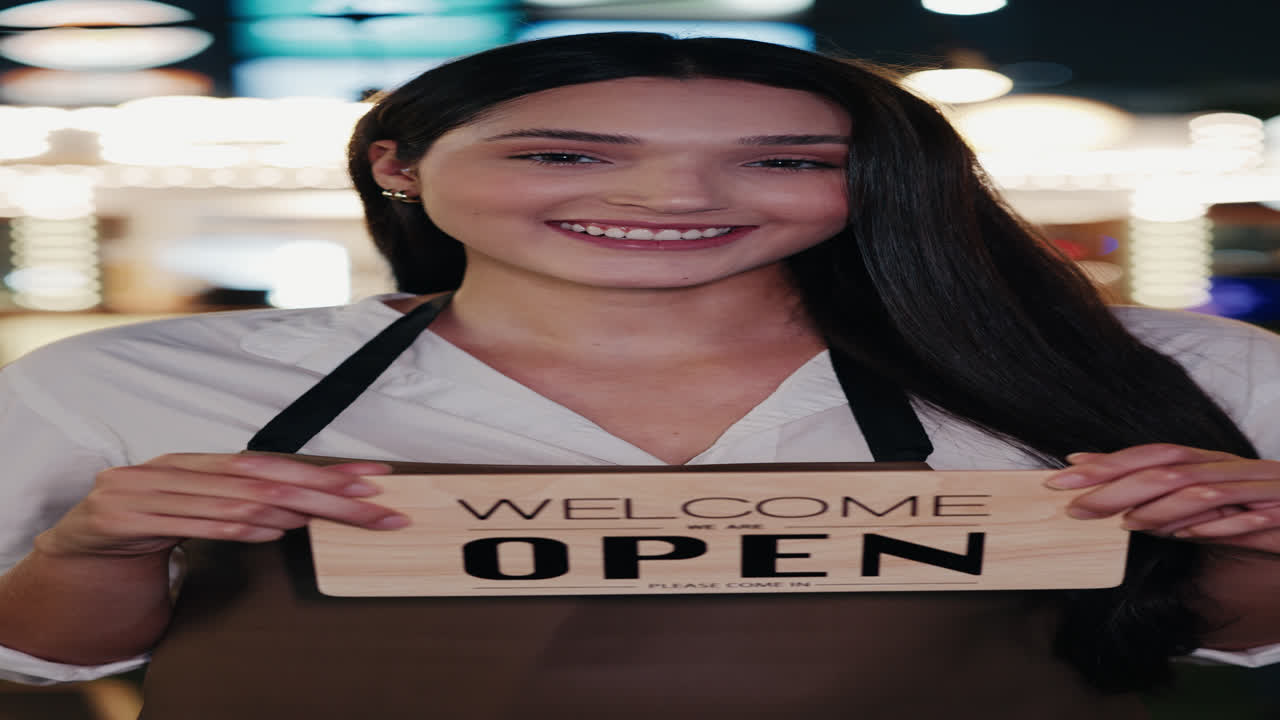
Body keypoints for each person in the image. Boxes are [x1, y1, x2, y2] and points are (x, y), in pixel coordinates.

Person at [1, 31, 1278, 719]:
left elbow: (1222, 650)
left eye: (781, 161)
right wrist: (90, 556)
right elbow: (41, 665)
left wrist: (1253, 544)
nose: (673, 198)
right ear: (396, 164)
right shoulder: (131, 381)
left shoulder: (1164, 369)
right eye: (564, 155)